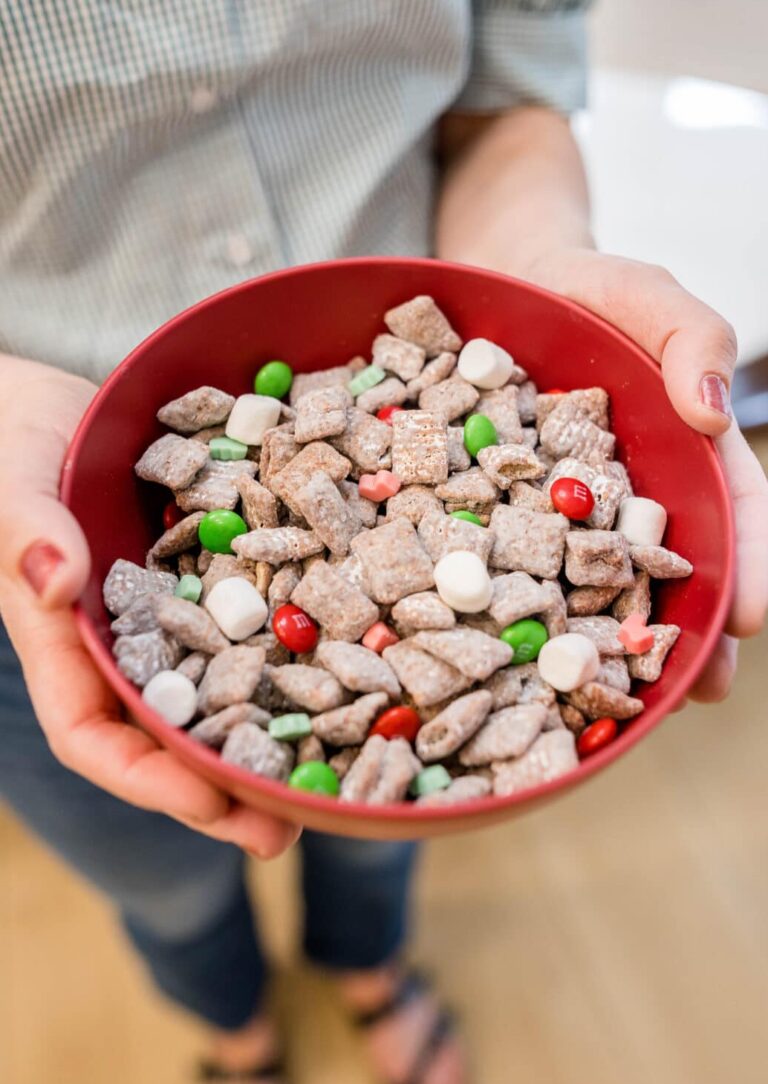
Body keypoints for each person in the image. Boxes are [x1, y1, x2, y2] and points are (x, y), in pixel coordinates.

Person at [1, 3, 766, 1082]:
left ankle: (369, 971)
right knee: (160, 876)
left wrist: (539, 264)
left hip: (401, 344)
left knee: (382, 813)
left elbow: (508, 101)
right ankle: (233, 1023)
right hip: (35, 520)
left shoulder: (434, 521)